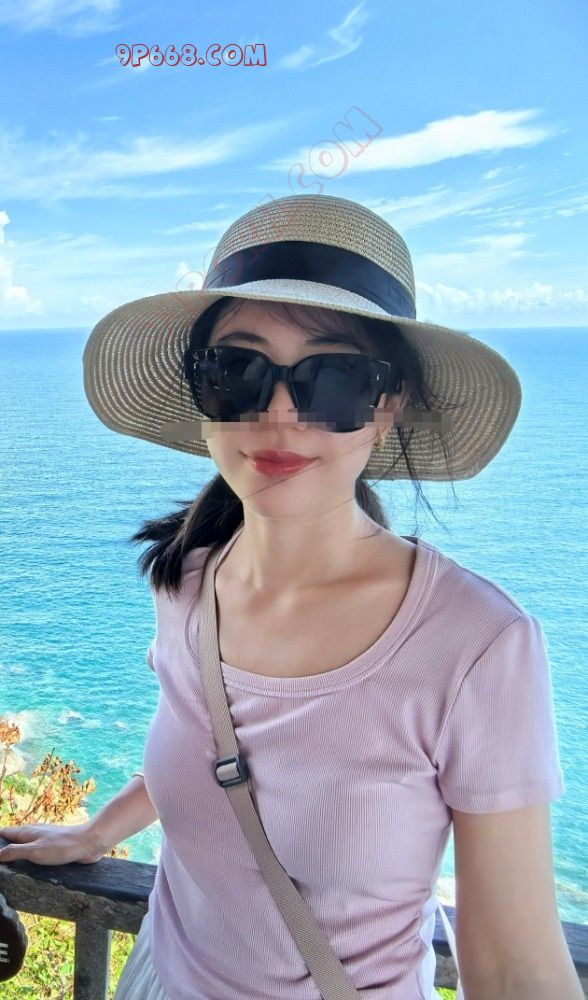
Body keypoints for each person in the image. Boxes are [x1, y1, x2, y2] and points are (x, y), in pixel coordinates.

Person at [0, 194, 573, 999]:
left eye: (333, 377)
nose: (278, 412)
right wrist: (99, 831)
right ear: (200, 392)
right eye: (237, 370)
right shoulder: (188, 581)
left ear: (388, 405)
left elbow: (516, 970)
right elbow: (210, 744)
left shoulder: (477, 645)